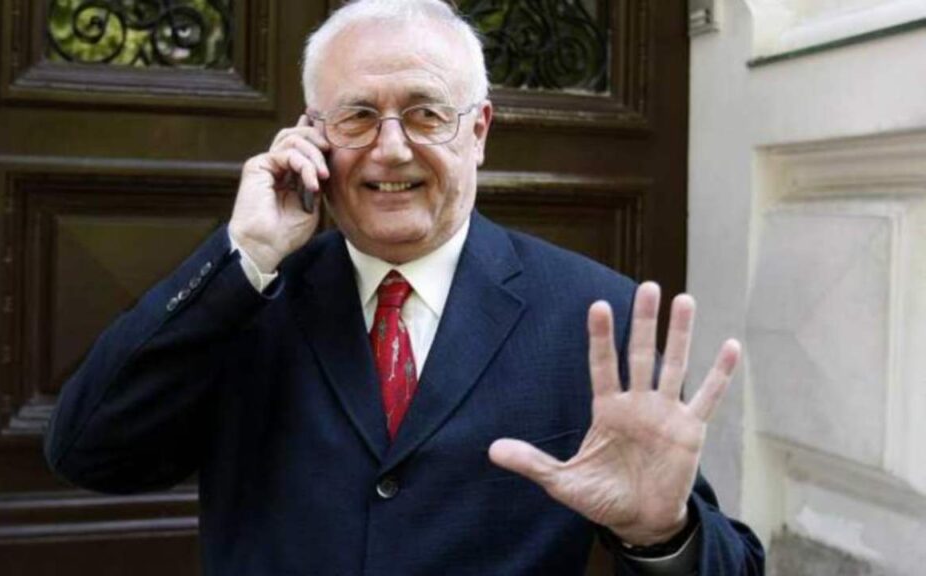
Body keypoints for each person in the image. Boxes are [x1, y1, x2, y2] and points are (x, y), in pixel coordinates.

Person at [45, 1, 765, 574]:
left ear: (478, 132)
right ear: (312, 136)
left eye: (426, 113)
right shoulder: (247, 298)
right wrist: (247, 253)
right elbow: (89, 451)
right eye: (358, 116)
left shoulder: (591, 318)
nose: (391, 149)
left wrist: (661, 534)